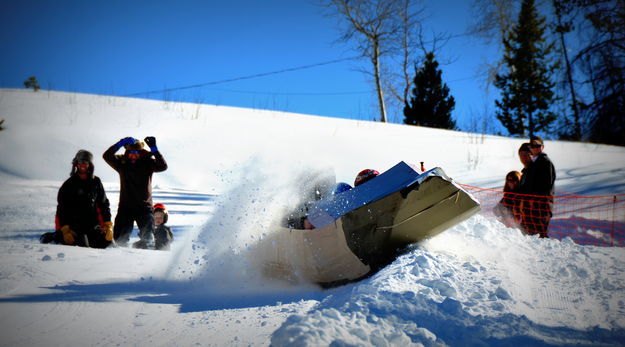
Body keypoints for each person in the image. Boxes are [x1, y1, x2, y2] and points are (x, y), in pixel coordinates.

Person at [103, 136, 168, 248]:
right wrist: (119, 143)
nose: (133, 155)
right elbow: (107, 156)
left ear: (141, 153)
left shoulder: (147, 163)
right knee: (119, 241)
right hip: (125, 207)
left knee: (148, 238)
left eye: (136, 152)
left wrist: (154, 150)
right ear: (127, 153)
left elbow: (163, 166)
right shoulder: (122, 163)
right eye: (131, 152)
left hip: (144, 207)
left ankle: (146, 259)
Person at [41, 150, 113, 248]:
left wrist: (108, 224)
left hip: (92, 225)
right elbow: (62, 209)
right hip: (73, 226)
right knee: (81, 244)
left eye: (85, 162)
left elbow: (103, 204)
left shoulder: (96, 182)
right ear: (76, 164)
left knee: (105, 242)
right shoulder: (68, 185)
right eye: (80, 162)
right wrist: (65, 230)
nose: (82, 165)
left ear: (90, 165)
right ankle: (54, 236)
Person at [518, 136, 556, 238]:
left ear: (542, 147)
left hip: (540, 207)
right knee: (530, 237)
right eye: (532, 146)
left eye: (537, 145)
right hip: (530, 208)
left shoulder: (544, 162)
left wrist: (532, 199)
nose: (535, 148)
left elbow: (546, 186)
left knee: (539, 237)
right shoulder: (533, 165)